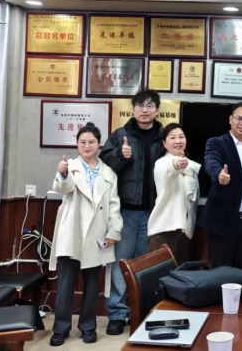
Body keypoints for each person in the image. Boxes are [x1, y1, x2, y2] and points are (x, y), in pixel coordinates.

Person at [49, 123, 122, 347]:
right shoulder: (69, 166)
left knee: (92, 285)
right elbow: (63, 188)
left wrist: (114, 230)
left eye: (91, 142)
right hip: (72, 233)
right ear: (77, 144)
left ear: (99, 145)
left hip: (96, 234)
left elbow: (114, 205)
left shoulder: (108, 173)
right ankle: (60, 329)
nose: (87, 146)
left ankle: (88, 326)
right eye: (82, 142)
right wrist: (62, 174)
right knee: (65, 284)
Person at [99, 89, 163, 335]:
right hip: (125, 211)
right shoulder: (120, 135)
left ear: (157, 110)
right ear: (133, 109)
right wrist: (120, 155)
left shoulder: (164, 136)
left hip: (154, 212)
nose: (145, 110)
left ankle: (143, 311)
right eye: (140, 105)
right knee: (120, 264)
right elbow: (104, 164)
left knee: (146, 265)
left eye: (150, 105)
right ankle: (117, 313)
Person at [199, 102, 242, 271]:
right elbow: (211, 162)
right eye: (239, 118)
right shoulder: (217, 143)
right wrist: (218, 174)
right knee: (221, 273)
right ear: (231, 119)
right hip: (224, 222)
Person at [149, 123, 201, 265]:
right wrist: (177, 165)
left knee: (180, 276)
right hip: (164, 230)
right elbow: (169, 172)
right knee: (160, 276)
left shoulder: (191, 166)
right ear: (164, 143)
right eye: (172, 138)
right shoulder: (161, 163)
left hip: (184, 231)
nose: (178, 141)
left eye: (181, 137)